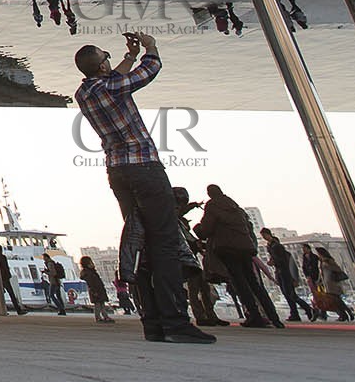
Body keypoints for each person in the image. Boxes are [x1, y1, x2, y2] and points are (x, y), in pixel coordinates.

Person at [75, 32, 213, 344]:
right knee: (164, 242)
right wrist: (150, 48)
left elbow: (114, 79)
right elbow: (149, 70)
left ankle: (152, 323)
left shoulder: (85, 92)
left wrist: (128, 56)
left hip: (118, 173)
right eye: (106, 56)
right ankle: (176, 322)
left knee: (140, 243)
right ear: (102, 66)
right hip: (144, 169)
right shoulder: (112, 87)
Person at [193, 184, 281, 328]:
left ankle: (254, 315)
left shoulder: (213, 206)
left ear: (210, 194)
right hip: (245, 247)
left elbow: (207, 229)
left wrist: (197, 229)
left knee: (240, 283)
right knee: (254, 283)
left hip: (227, 248)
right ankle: (274, 317)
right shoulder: (235, 206)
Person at [259, 228, 310, 323]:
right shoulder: (271, 246)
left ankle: (306, 309)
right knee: (288, 293)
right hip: (280, 271)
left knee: (289, 293)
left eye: (264, 235)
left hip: (284, 271)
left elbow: (282, 260)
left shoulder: (276, 246)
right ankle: (297, 312)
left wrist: (274, 262)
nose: (264, 238)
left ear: (268, 234)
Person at [79, 255, 112, 323]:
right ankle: (98, 317)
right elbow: (91, 283)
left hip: (98, 290)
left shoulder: (91, 272)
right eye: (91, 263)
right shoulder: (89, 273)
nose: (92, 264)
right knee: (98, 305)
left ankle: (105, 316)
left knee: (101, 304)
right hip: (96, 290)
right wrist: (94, 291)